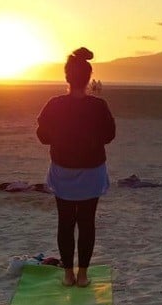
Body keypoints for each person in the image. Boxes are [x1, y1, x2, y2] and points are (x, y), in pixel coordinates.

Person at [36, 48, 116, 287]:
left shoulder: (55, 104)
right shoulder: (99, 105)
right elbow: (109, 135)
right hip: (91, 171)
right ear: (89, 79)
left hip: (64, 171)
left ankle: (68, 274)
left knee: (65, 222)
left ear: (67, 78)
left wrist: (62, 139)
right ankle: (82, 276)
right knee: (87, 222)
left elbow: (42, 135)